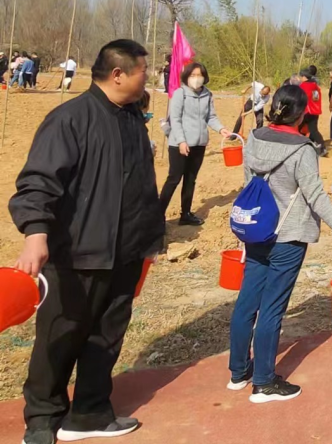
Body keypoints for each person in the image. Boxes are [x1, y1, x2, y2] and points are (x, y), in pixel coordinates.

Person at [9, 39, 165, 443]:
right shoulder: (70, 119)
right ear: (118, 74)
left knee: (106, 338)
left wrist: (150, 241)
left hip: (126, 252)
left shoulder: (132, 117)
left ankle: (90, 413)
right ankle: (42, 419)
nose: (149, 77)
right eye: (143, 71)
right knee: (60, 337)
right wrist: (35, 234)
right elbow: (38, 182)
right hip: (78, 253)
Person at [228, 85, 332, 402]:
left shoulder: (255, 138)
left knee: (247, 302)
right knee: (272, 308)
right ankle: (263, 383)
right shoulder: (303, 149)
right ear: (302, 114)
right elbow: (315, 195)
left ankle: (238, 372)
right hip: (288, 237)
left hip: (257, 230)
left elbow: (248, 181)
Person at [161, 61, 229, 226]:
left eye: (199, 75)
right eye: (193, 75)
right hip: (179, 144)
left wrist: (221, 129)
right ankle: (157, 214)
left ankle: (186, 214)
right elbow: (175, 119)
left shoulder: (207, 95)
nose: (196, 78)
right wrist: (181, 141)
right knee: (174, 178)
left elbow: (210, 117)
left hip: (199, 144)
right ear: (186, 77)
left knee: (190, 179)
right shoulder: (180, 94)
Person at [298, 67, 327, 157]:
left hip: (306, 111)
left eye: (301, 77)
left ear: (304, 77)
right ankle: (322, 147)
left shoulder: (303, 86)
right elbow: (315, 98)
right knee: (313, 130)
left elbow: (300, 98)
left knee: (297, 129)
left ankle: (300, 146)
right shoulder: (315, 86)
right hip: (315, 111)